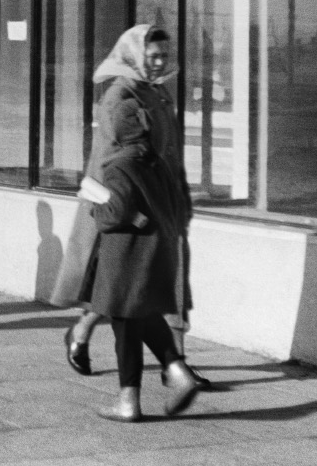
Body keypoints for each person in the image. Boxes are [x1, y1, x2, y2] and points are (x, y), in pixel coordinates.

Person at [55, 26, 207, 386]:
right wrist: (131, 214)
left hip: (162, 205)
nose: (159, 62)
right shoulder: (120, 98)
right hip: (127, 212)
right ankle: (83, 334)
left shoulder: (158, 94)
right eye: (152, 55)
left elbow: (170, 157)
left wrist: (178, 201)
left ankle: (175, 366)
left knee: (158, 285)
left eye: (164, 56)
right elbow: (110, 167)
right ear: (134, 55)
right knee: (123, 292)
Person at [80, 110, 205, 421]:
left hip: (126, 255)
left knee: (124, 324)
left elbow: (117, 211)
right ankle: (178, 371)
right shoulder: (156, 161)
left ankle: (128, 401)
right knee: (144, 317)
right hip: (156, 250)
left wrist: (96, 209)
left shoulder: (119, 165)